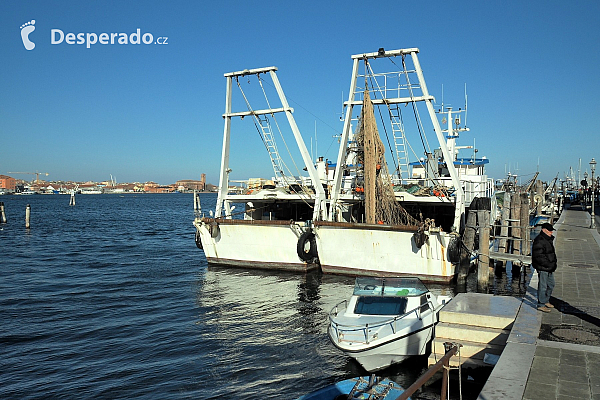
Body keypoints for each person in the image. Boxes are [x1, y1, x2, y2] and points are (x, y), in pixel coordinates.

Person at [532, 222, 558, 312]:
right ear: (544, 230)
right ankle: (541, 304)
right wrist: (549, 264)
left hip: (549, 267)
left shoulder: (548, 239)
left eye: (552, 231)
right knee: (543, 286)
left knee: (551, 284)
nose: (552, 232)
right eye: (550, 231)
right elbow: (538, 256)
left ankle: (546, 300)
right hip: (543, 267)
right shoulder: (539, 240)